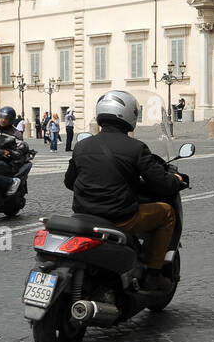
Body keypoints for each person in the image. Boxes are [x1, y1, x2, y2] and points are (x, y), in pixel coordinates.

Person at [63, 90, 183, 290]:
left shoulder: (81, 146)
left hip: (83, 215)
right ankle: (153, 273)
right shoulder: (136, 148)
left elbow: (69, 182)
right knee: (167, 213)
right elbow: (162, 183)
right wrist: (176, 180)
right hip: (120, 218)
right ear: (129, 115)